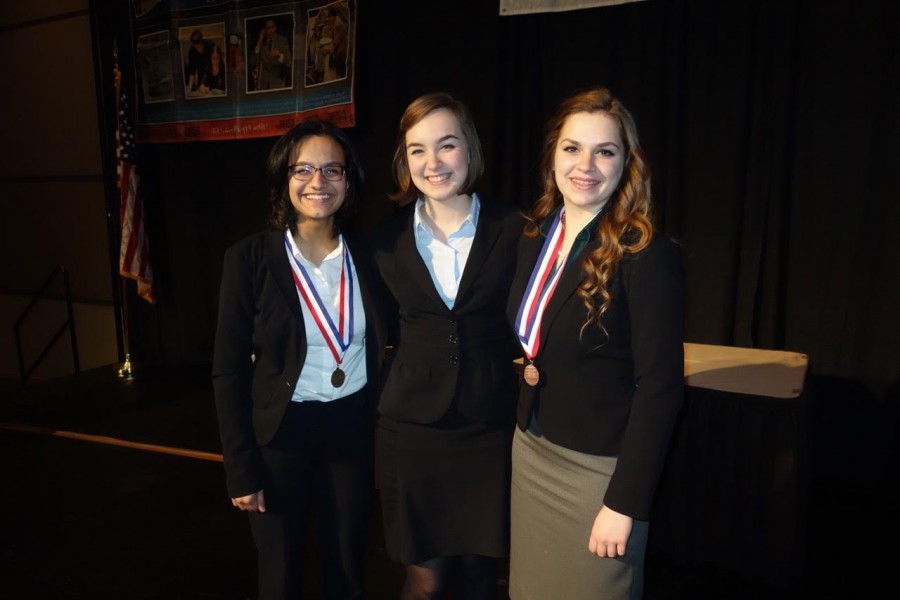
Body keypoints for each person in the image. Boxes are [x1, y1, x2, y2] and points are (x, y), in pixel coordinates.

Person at [505, 86, 684, 600]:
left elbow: (661, 388)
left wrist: (625, 503)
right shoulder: (536, 236)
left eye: (604, 151)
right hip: (533, 448)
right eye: (572, 148)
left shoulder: (646, 254)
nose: (586, 165)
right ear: (553, 156)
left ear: (626, 163)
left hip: (600, 473)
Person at [212, 118, 387, 600]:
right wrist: (240, 469)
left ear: (349, 182)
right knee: (280, 569)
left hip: (349, 428)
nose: (318, 182)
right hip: (279, 434)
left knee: (348, 563)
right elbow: (228, 370)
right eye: (303, 169)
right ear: (283, 178)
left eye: (333, 170)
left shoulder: (369, 255)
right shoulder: (248, 258)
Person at [370, 92, 523, 600]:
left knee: (481, 578)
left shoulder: (518, 230)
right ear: (403, 159)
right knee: (424, 582)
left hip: (488, 427)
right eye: (417, 150)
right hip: (412, 432)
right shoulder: (383, 244)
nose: (432, 163)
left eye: (446, 145)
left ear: (469, 150)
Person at [251, 18, 292, 90]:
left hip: (277, 83)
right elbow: (252, 62)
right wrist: (259, 41)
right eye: (268, 28)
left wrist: (279, 55)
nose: (270, 30)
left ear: (276, 28)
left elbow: (289, 62)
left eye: (272, 27)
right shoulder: (261, 43)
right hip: (262, 85)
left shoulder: (282, 40)